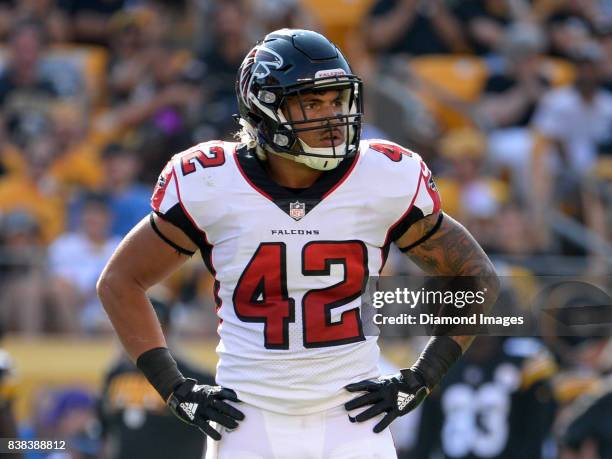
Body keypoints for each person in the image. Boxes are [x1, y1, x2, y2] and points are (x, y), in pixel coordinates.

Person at [97, 29, 498, 458]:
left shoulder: (383, 177)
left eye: (338, 100)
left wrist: (422, 376)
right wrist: (173, 387)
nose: (332, 117)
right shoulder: (211, 182)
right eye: (312, 103)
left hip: (353, 419)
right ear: (265, 108)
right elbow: (121, 282)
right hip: (246, 418)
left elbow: (476, 277)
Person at [99, 295, 215, 459]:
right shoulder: (116, 374)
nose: (141, 336)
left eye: (150, 328)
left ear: (167, 331)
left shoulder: (197, 380)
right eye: (133, 327)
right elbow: (106, 431)